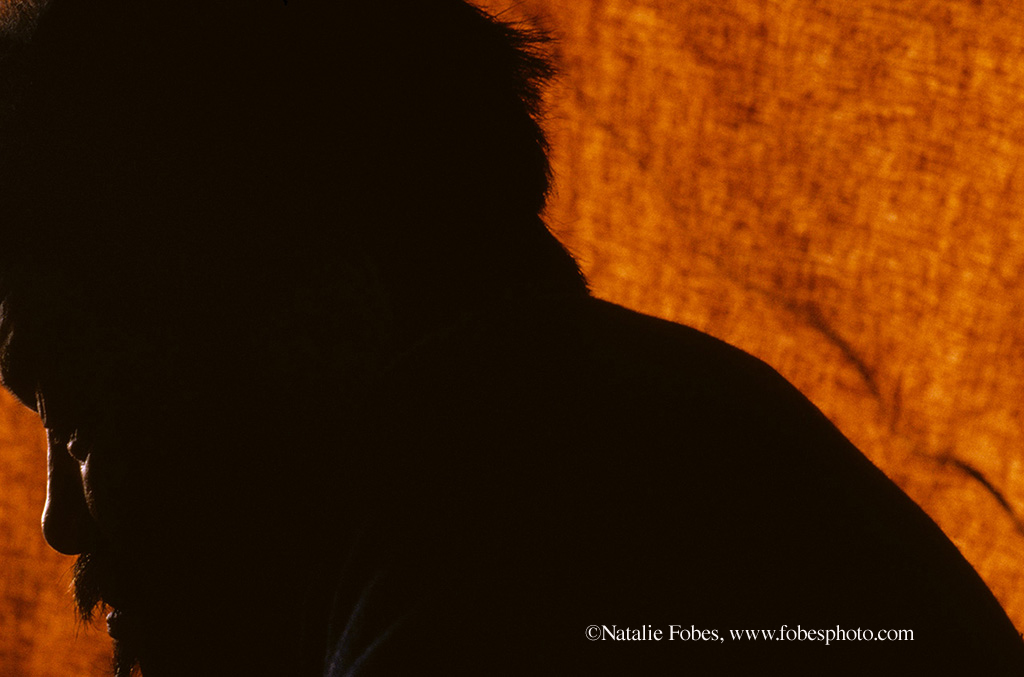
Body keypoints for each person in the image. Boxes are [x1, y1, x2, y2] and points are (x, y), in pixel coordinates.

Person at [1, 1, 1022, 675]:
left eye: (86, 400)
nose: (60, 520)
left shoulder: (524, 524)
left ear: (329, 325)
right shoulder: (628, 433)